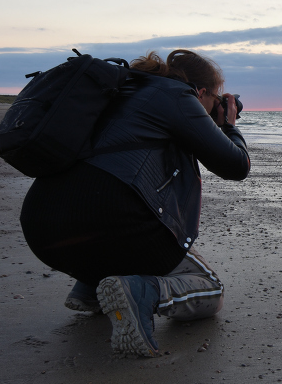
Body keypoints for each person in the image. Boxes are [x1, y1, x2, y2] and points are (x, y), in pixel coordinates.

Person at [19, 49, 250, 357]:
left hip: (42, 225)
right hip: (111, 223)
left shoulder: (116, 93)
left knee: (105, 208)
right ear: (203, 92)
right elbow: (237, 166)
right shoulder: (178, 97)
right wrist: (229, 126)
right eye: (215, 99)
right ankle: (142, 293)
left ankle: (90, 289)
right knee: (210, 290)